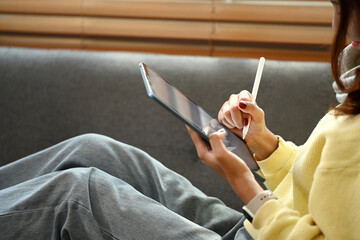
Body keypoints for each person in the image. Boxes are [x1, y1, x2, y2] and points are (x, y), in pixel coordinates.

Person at [0, 0, 359, 239]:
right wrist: (263, 143)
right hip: (261, 227)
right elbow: (319, 183)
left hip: (267, 227)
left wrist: (243, 183)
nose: (336, 23)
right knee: (95, 149)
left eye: (341, 8)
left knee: (78, 194)